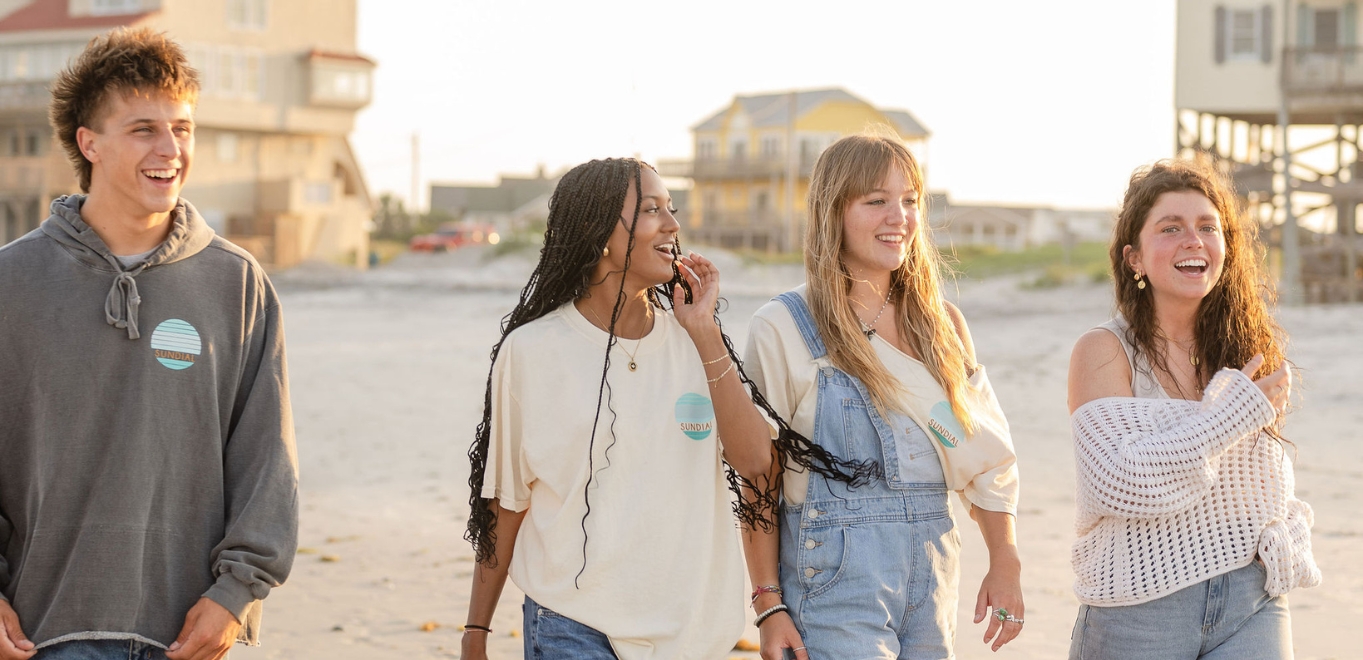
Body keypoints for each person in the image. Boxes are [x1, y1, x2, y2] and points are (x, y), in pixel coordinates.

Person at [459, 158, 868, 660]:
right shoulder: (531, 352)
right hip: (571, 622)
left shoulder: (697, 343)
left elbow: (758, 463)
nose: (673, 224)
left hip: (688, 632)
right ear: (599, 231)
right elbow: (506, 502)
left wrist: (704, 332)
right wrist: (476, 630)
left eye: (671, 209)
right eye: (652, 210)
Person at [0, 28, 298, 660]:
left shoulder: (237, 284)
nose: (171, 149)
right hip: (39, 635)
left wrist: (235, 595)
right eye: (143, 129)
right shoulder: (11, 284)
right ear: (90, 143)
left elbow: (267, 458)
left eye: (182, 128)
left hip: (186, 635)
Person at [742, 133, 1024, 659]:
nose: (900, 217)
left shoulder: (943, 326)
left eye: (911, 200)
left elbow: (987, 459)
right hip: (832, 587)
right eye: (876, 201)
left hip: (934, 578)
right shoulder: (783, 326)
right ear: (833, 212)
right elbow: (759, 479)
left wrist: (1004, 560)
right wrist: (768, 604)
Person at [1066, 158, 1320, 659]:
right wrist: (1226, 418)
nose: (1193, 240)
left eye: (1208, 227)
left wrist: (1286, 529)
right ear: (1134, 258)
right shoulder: (1104, 351)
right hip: (1139, 606)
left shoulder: (1246, 349)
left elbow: (1256, 484)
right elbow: (1118, 482)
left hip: (1253, 602)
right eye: (1171, 228)